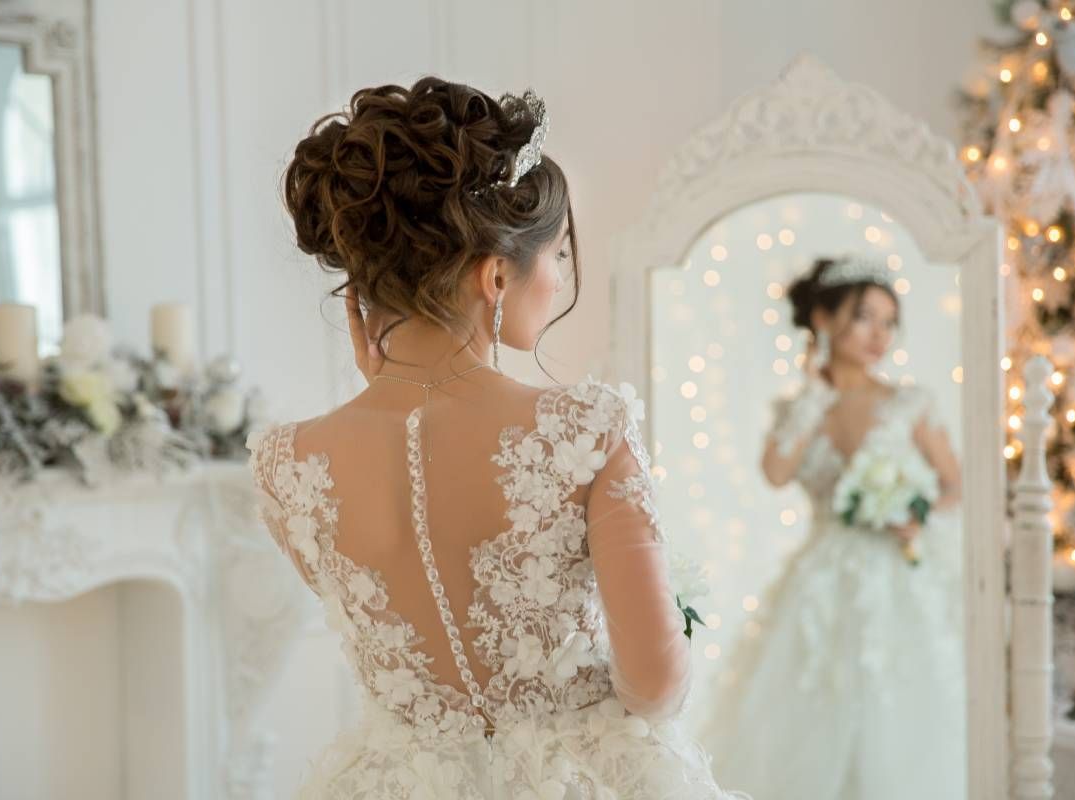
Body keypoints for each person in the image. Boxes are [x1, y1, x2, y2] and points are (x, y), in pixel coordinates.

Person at [247, 76, 743, 799]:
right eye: (558, 256)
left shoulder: (287, 465)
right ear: (496, 276)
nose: (561, 275)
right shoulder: (585, 429)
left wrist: (387, 385)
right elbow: (655, 686)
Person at [697, 255, 966, 800]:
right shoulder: (804, 407)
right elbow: (775, 472)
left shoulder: (910, 402)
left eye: (889, 322)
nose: (879, 335)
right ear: (823, 318)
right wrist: (813, 393)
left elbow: (955, 487)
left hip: (898, 578)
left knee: (897, 711)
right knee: (813, 703)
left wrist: (915, 516)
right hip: (822, 580)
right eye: (865, 317)